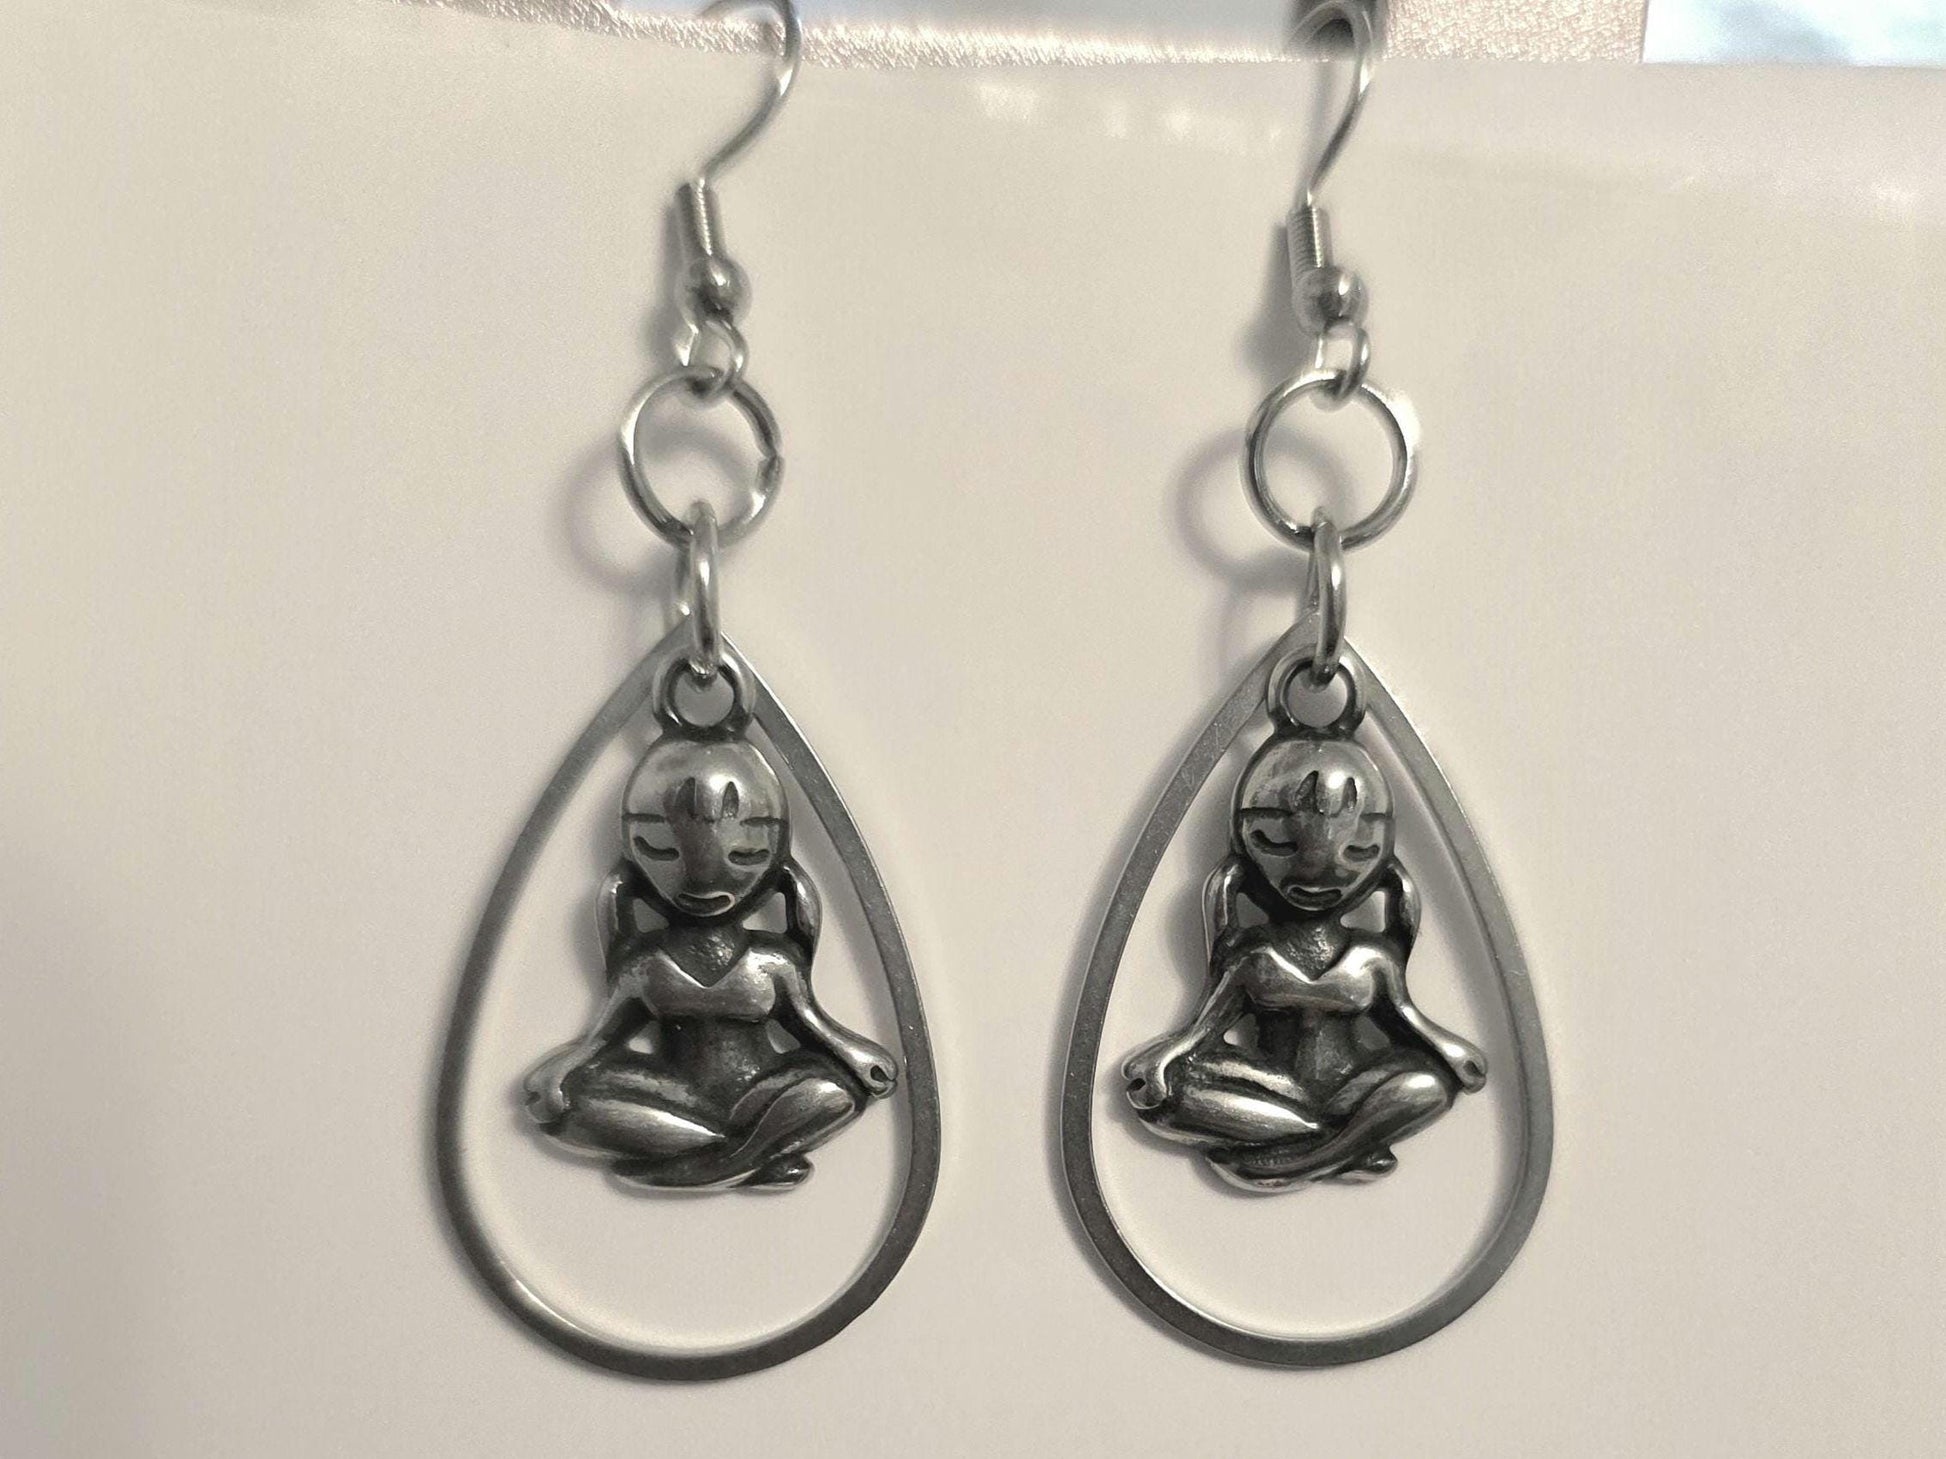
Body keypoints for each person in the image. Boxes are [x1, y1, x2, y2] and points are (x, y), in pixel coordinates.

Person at [524, 728, 895, 1191]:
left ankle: (700, 1166)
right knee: (567, 1107)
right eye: (661, 851)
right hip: (675, 1100)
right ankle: (752, 1157)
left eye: (746, 854)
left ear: (773, 863)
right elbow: (600, 1040)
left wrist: (858, 1056)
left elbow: (814, 1028)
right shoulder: (645, 963)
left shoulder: (772, 961)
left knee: (836, 1091)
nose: (703, 882)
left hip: (760, 1095)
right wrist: (558, 1071)